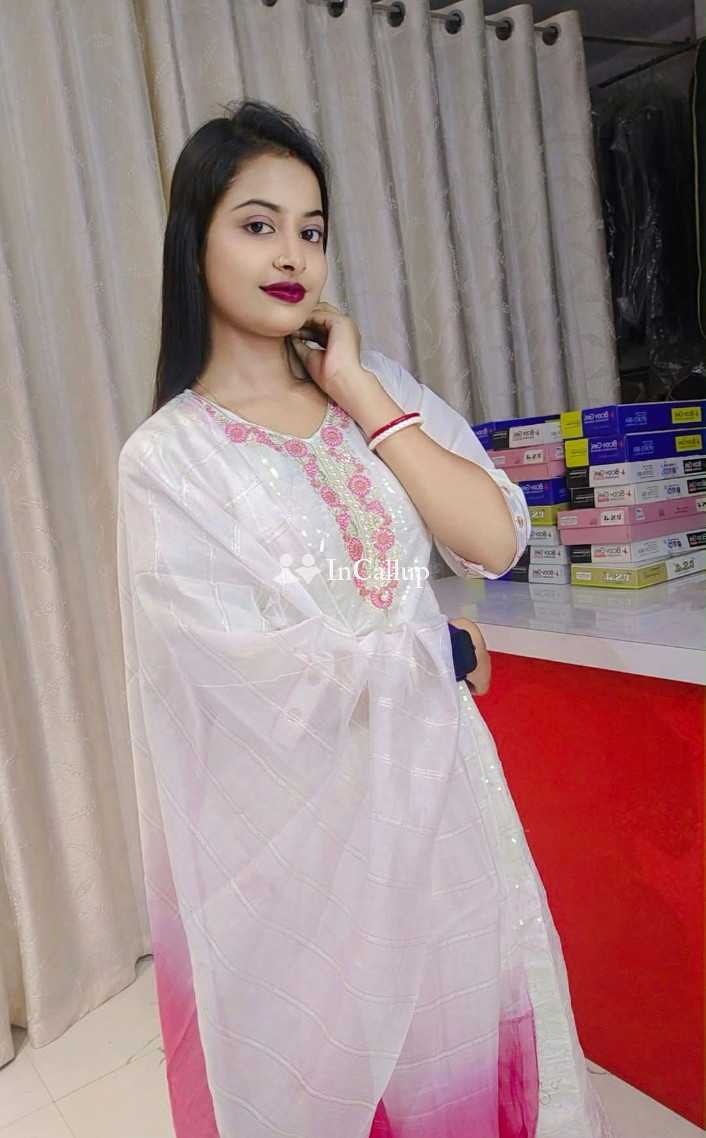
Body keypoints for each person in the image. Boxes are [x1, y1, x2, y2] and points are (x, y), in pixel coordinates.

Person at [116, 98, 615, 1138]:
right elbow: (233, 674)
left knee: (460, 1043)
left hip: (442, 794)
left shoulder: (373, 385)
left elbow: (494, 539)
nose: (290, 254)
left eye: (311, 229)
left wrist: (357, 392)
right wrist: (436, 644)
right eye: (257, 225)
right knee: (339, 1073)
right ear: (193, 240)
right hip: (300, 838)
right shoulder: (167, 460)